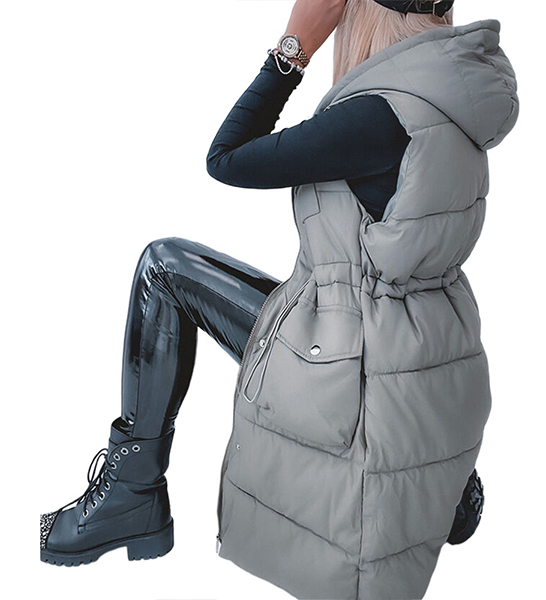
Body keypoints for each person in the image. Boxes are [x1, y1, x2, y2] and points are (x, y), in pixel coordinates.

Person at [40, 0, 484, 566]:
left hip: (361, 377)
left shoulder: (378, 115)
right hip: (425, 367)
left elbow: (226, 158)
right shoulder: (454, 104)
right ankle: (440, 478)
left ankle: (132, 495)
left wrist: (292, 49)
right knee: (320, 294)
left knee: (164, 268)